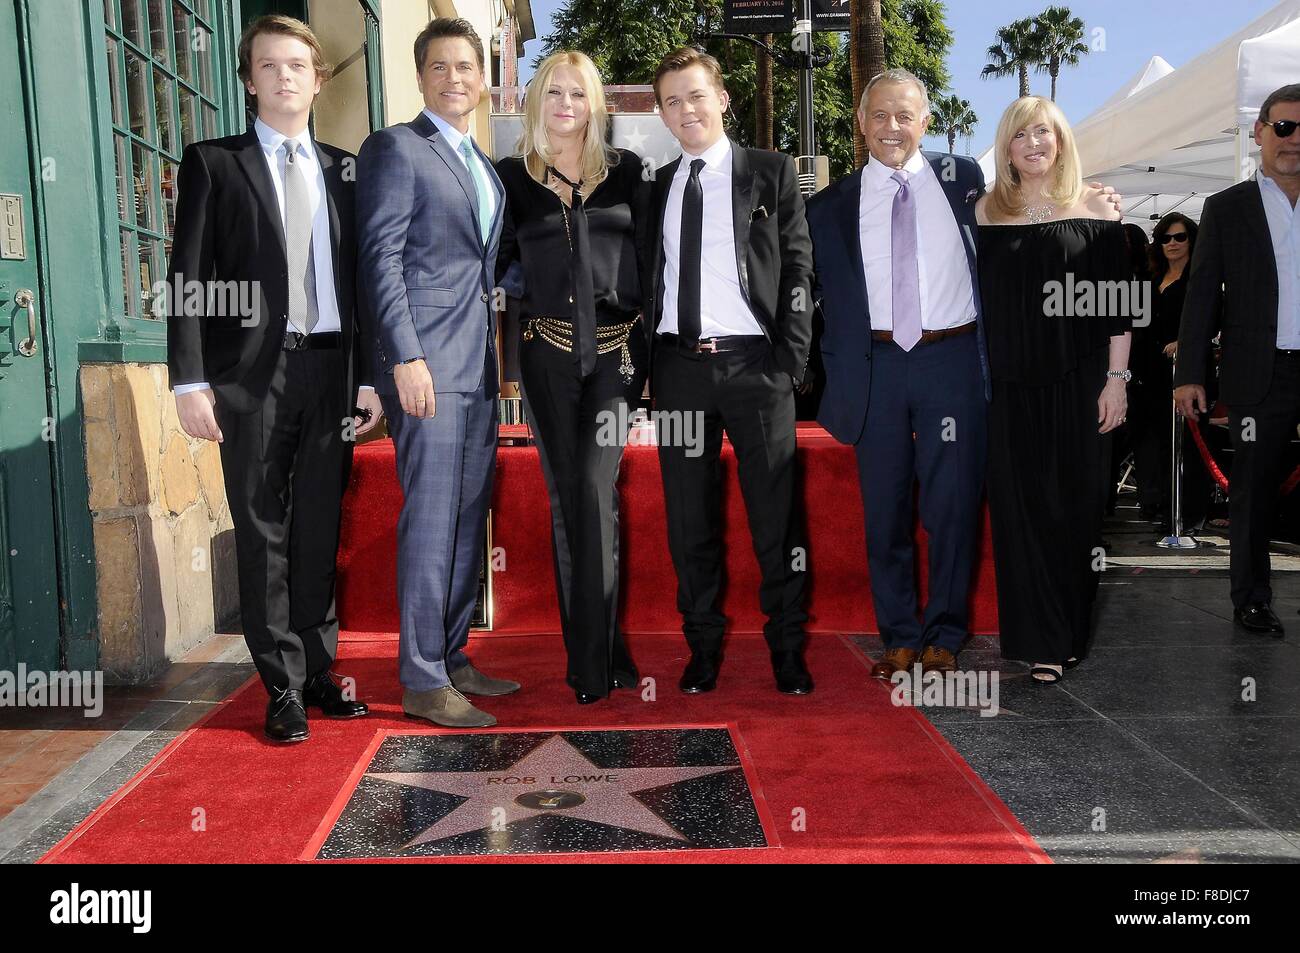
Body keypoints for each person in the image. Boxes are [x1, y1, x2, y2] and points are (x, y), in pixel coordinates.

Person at [166, 15, 381, 743]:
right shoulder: (214, 164)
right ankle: (281, 684)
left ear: (319, 80)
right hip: (251, 376)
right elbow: (189, 276)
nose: (284, 76)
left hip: (332, 366)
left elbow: (364, 281)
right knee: (262, 527)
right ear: (250, 80)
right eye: (268, 65)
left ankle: (319, 669)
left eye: (297, 65)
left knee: (319, 522)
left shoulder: (347, 170)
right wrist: (188, 380)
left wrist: (369, 377)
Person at [357, 17, 520, 726]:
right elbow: (380, 259)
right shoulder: (397, 147)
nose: (455, 78)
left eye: (466, 67)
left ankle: (451, 655)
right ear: (421, 76)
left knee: (465, 515)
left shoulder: (483, 164)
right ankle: (422, 678)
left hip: (477, 369)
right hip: (427, 366)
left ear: (483, 78)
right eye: (440, 66)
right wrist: (405, 357)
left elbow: (482, 266)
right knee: (430, 519)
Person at [807, 69, 990, 681]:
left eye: (905, 115)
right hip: (875, 366)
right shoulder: (828, 207)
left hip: (951, 360)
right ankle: (900, 637)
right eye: (880, 115)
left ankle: (945, 635)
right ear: (860, 122)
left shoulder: (964, 180)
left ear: (925, 122)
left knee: (952, 506)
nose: (892, 127)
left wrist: (1090, 203)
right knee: (884, 512)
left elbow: (1026, 216)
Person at [645, 47, 815, 695]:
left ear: (721, 98)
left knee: (776, 519)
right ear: (662, 114)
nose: (686, 109)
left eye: (696, 95)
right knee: (690, 521)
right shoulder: (654, 186)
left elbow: (799, 267)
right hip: (679, 371)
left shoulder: (771, 172)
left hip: (757, 368)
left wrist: (790, 362)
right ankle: (703, 646)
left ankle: (788, 648)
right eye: (672, 101)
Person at [494, 52, 650, 704]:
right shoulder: (511, 178)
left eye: (577, 93)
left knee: (593, 486)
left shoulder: (628, 172)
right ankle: (595, 655)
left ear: (595, 104)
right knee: (569, 500)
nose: (565, 104)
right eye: (554, 92)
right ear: (536, 102)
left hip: (618, 355)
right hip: (546, 354)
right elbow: (495, 264)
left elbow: (655, 261)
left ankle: (598, 652)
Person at [975, 96, 1132, 683]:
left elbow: (1121, 306)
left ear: (1060, 140)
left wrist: (1117, 381)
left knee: (1075, 509)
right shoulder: (984, 212)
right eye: (1019, 136)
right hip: (1008, 388)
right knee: (1019, 512)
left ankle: (1066, 634)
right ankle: (1037, 639)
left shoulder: (1097, 206)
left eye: (1042, 132)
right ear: (1006, 148)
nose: (1032, 144)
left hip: (1081, 383)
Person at [1176, 84, 1300, 637]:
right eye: (1284, 127)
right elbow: (1202, 295)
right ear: (1260, 132)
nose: (1294, 140)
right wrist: (1190, 374)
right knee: (1251, 491)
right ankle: (1251, 599)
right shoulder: (1227, 208)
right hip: (1258, 372)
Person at [1131, 213, 1212, 532]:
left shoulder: (1201, 278)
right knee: (1156, 442)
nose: (1173, 243)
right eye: (1165, 238)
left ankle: (1189, 515)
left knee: (1188, 445)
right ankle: (1164, 507)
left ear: (1192, 240)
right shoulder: (1150, 278)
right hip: (1148, 372)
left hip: (1186, 372)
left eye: (1180, 237)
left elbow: (1213, 318)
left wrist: (1184, 343)